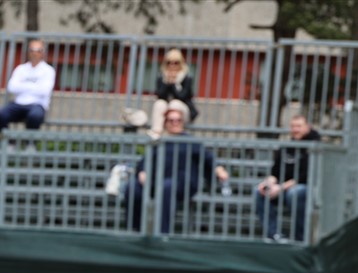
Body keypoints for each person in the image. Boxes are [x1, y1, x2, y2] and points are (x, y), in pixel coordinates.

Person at [124, 105, 229, 236]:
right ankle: (135, 230)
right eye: (171, 120)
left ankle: (162, 233)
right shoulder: (159, 141)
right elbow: (145, 161)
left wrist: (219, 169)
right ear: (165, 123)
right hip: (156, 182)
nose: (175, 123)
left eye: (178, 120)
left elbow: (207, 158)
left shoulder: (190, 141)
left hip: (182, 183)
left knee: (167, 187)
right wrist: (142, 171)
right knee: (133, 187)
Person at [254, 114, 321, 243]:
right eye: (293, 126)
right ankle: (273, 235)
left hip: (307, 188)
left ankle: (300, 239)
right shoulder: (287, 146)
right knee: (259, 191)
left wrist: (280, 187)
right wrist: (268, 183)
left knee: (294, 193)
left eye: (299, 126)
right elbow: (275, 172)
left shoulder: (315, 146)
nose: (295, 129)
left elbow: (306, 176)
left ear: (308, 127)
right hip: (284, 188)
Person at [0, 39, 56, 137]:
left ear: (43, 52)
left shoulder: (48, 70)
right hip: (18, 104)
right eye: (32, 50)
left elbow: (44, 91)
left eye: (38, 50)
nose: (34, 53)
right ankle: (9, 142)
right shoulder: (21, 69)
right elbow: (12, 87)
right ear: (28, 52)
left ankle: (29, 143)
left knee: (35, 116)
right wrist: (35, 86)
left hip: (37, 105)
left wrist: (23, 86)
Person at [149, 48, 198, 137]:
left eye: (176, 63)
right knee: (159, 103)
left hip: (183, 112)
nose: (172, 65)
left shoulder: (187, 78)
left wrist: (173, 84)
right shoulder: (161, 78)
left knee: (175, 103)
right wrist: (166, 83)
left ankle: (176, 131)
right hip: (166, 113)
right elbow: (160, 95)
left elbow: (182, 96)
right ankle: (156, 133)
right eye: (169, 62)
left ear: (181, 63)